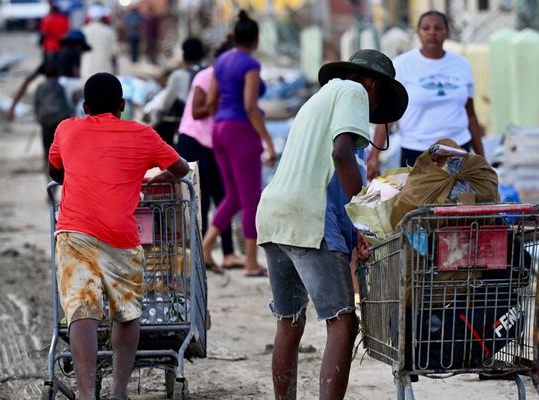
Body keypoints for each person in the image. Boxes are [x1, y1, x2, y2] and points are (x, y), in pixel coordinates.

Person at [257, 49, 407, 400]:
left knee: (289, 321)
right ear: (373, 85)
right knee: (343, 322)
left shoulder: (317, 100)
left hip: (274, 215)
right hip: (309, 218)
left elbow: (329, 174)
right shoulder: (354, 91)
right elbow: (341, 155)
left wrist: (354, 233)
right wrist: (365, 214)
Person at [49, 72, 191, 400]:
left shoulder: (66, 129)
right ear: (123, 105)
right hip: (121, 237)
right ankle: (119, 393)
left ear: (85, 107)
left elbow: (56, 171)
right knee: (127, 312)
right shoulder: (143, 134)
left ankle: (86, 394)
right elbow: (182, 168)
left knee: (81, 308)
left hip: (74, 232)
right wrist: (157, 177)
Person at [368, 10, 485, 177]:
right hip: (416, 152)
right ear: (418, 32)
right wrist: (374, 157)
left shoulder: (461, 65)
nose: (432, 33)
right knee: (416, 195)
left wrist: (482, 158)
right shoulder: (402, 65)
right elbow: (389, 116)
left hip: (457, 150)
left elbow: (470, 114)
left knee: (458, 194)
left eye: (438, 28)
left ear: (447, 32)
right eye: (426, 28)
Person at [203, 11, 275, 277]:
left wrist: (221, 123)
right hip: (241, 130)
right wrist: (268, 142)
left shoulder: (220, 61)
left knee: (233, 196)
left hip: (220, 128)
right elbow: (250, 107)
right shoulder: (250, 65)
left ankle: (206, 246)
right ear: (255, 39)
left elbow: (211, 101)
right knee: (251, 198)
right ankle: (251, 262)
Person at [172, 39, 244, 273]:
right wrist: (220, 102)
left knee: (223, 195)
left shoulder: (236, 81)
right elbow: (197, 111)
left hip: (215, 143)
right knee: (200, 197)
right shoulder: (206, 77)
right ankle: (202, 254)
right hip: (194, 140)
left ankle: (228, 253)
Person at [7, 29, 92, 123]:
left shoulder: (50, 58)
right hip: (66, 109)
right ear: (79, 45)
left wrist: (12, 107)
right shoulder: (75, 52)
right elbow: (76, 72)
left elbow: (28, 80)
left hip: (48, 109)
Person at [80, 10, 117, 79]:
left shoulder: (83, 30)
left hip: (87, 70)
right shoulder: (109, 31)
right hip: (105, 70)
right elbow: (114, 53)